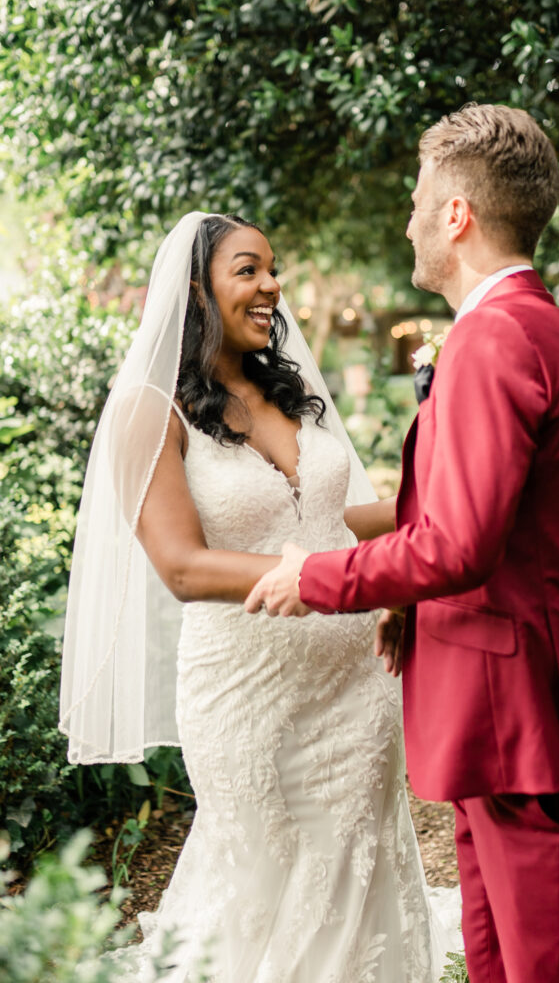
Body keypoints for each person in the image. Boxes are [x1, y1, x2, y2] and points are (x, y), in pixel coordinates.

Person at [245, 104, 559, 983]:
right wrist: (407, 603)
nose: (408, 220)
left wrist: (314, 576)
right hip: (504, 733)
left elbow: (457, 544)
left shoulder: (497, 340)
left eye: (418, 198)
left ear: (456, 215)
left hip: (540, 737)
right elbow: (493, 527)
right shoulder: (520, 329)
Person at [59, 211, 453, 982]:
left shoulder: (288, 386)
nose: (272, 284)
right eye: (248, 269)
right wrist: (320, 577)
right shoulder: (149, 409)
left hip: (355, 692)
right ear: (197, 292)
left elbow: (326, 521)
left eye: (272, 267)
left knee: (358, 876)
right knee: (261, 886)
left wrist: (431, 508)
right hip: (248, 697)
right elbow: (180, 565)